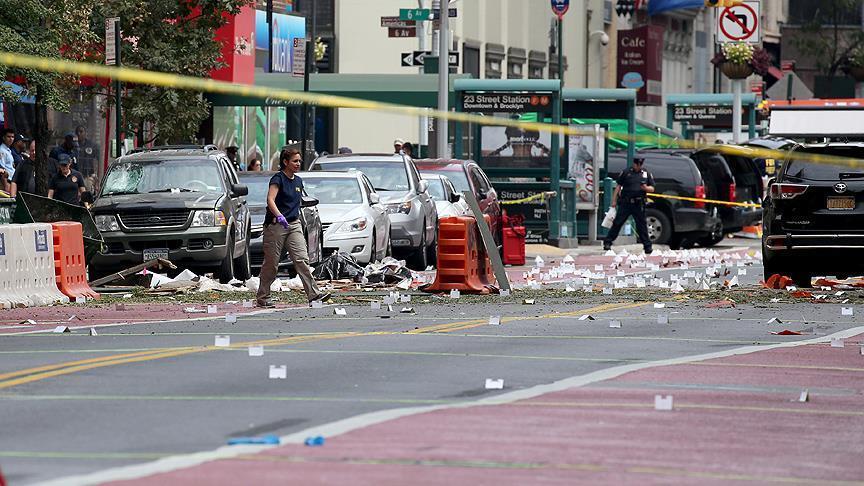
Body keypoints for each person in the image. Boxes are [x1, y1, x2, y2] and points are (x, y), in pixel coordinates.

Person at [257, 148, 330, 307]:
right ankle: (263, 297)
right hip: (276, 225)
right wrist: (279, 216)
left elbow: (300, 201)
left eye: (299, 161)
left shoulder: (298, 181)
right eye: (295, 161)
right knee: (272, 263)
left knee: (302, 259)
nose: (298, 164)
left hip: (294, 223)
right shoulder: (278, 179)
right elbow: (270, 199)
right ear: (285, 162)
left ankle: (314, 295)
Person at [602, 157, 655, 255]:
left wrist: (646, 188)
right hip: (626, 203)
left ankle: (647, 246)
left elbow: (652, 188)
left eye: (640, 165)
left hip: (639, 203)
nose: (638, 166)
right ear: (634, 164)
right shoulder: (626, 172)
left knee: (642, 225)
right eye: (636, 164)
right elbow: (618, 186)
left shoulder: (646, 173)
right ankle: (608, 242)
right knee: (618, 223)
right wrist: (614, 201)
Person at [0, 129, 16, 193]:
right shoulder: (2, 150)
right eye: (8, 137)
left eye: (12, 137)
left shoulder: (8, 150)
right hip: (7, 182)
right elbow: (2, 170)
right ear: (4, 138)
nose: (11, 139)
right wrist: (6, 185)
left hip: (12, 181)